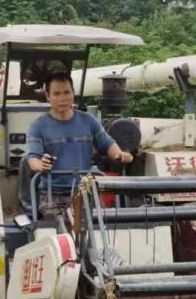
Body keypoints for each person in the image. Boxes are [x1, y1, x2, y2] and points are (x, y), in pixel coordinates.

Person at [24, 72, 132, 212]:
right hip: (53, 194)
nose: (62, 98)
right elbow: (33, 158)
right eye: (56, 94)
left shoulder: (89, 121)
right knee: (58, 232)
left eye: (66, 92)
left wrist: (120, 154)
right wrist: (41, 165)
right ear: (47, 95)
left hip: (85, 190)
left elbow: (107, 144)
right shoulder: (38, 126)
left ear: (73, 93)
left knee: (96, 230)